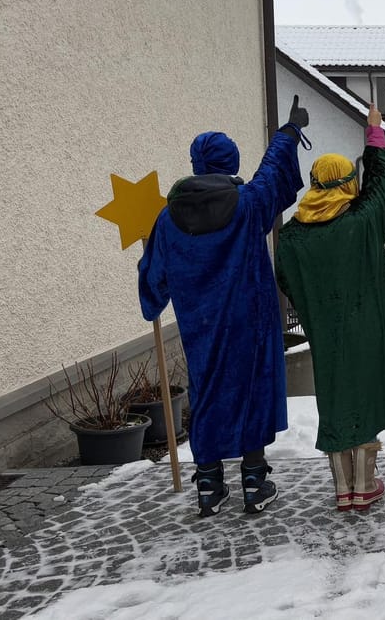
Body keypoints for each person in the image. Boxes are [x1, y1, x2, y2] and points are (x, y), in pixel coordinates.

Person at [139, 96, 309, 517]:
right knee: (252, 391)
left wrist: (151, 297)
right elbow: (272, 172)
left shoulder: (166, 218)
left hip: (200, 327)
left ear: (196, 165)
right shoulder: (248, 205)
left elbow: (154, 273)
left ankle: (209, 485)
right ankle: (254, 480)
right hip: (251, 324)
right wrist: (289, 132)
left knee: (208, 392)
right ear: (230, 162)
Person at [274, 104, 385, 512]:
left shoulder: (292, 236)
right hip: (371, 326)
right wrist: (374, 135)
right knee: (366, 396)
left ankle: (343, 487)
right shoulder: (362, 220)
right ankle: (365, 484)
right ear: (347, 183)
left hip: (327, 331)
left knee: (336, 398)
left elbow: (286, 281)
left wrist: (317, 308)